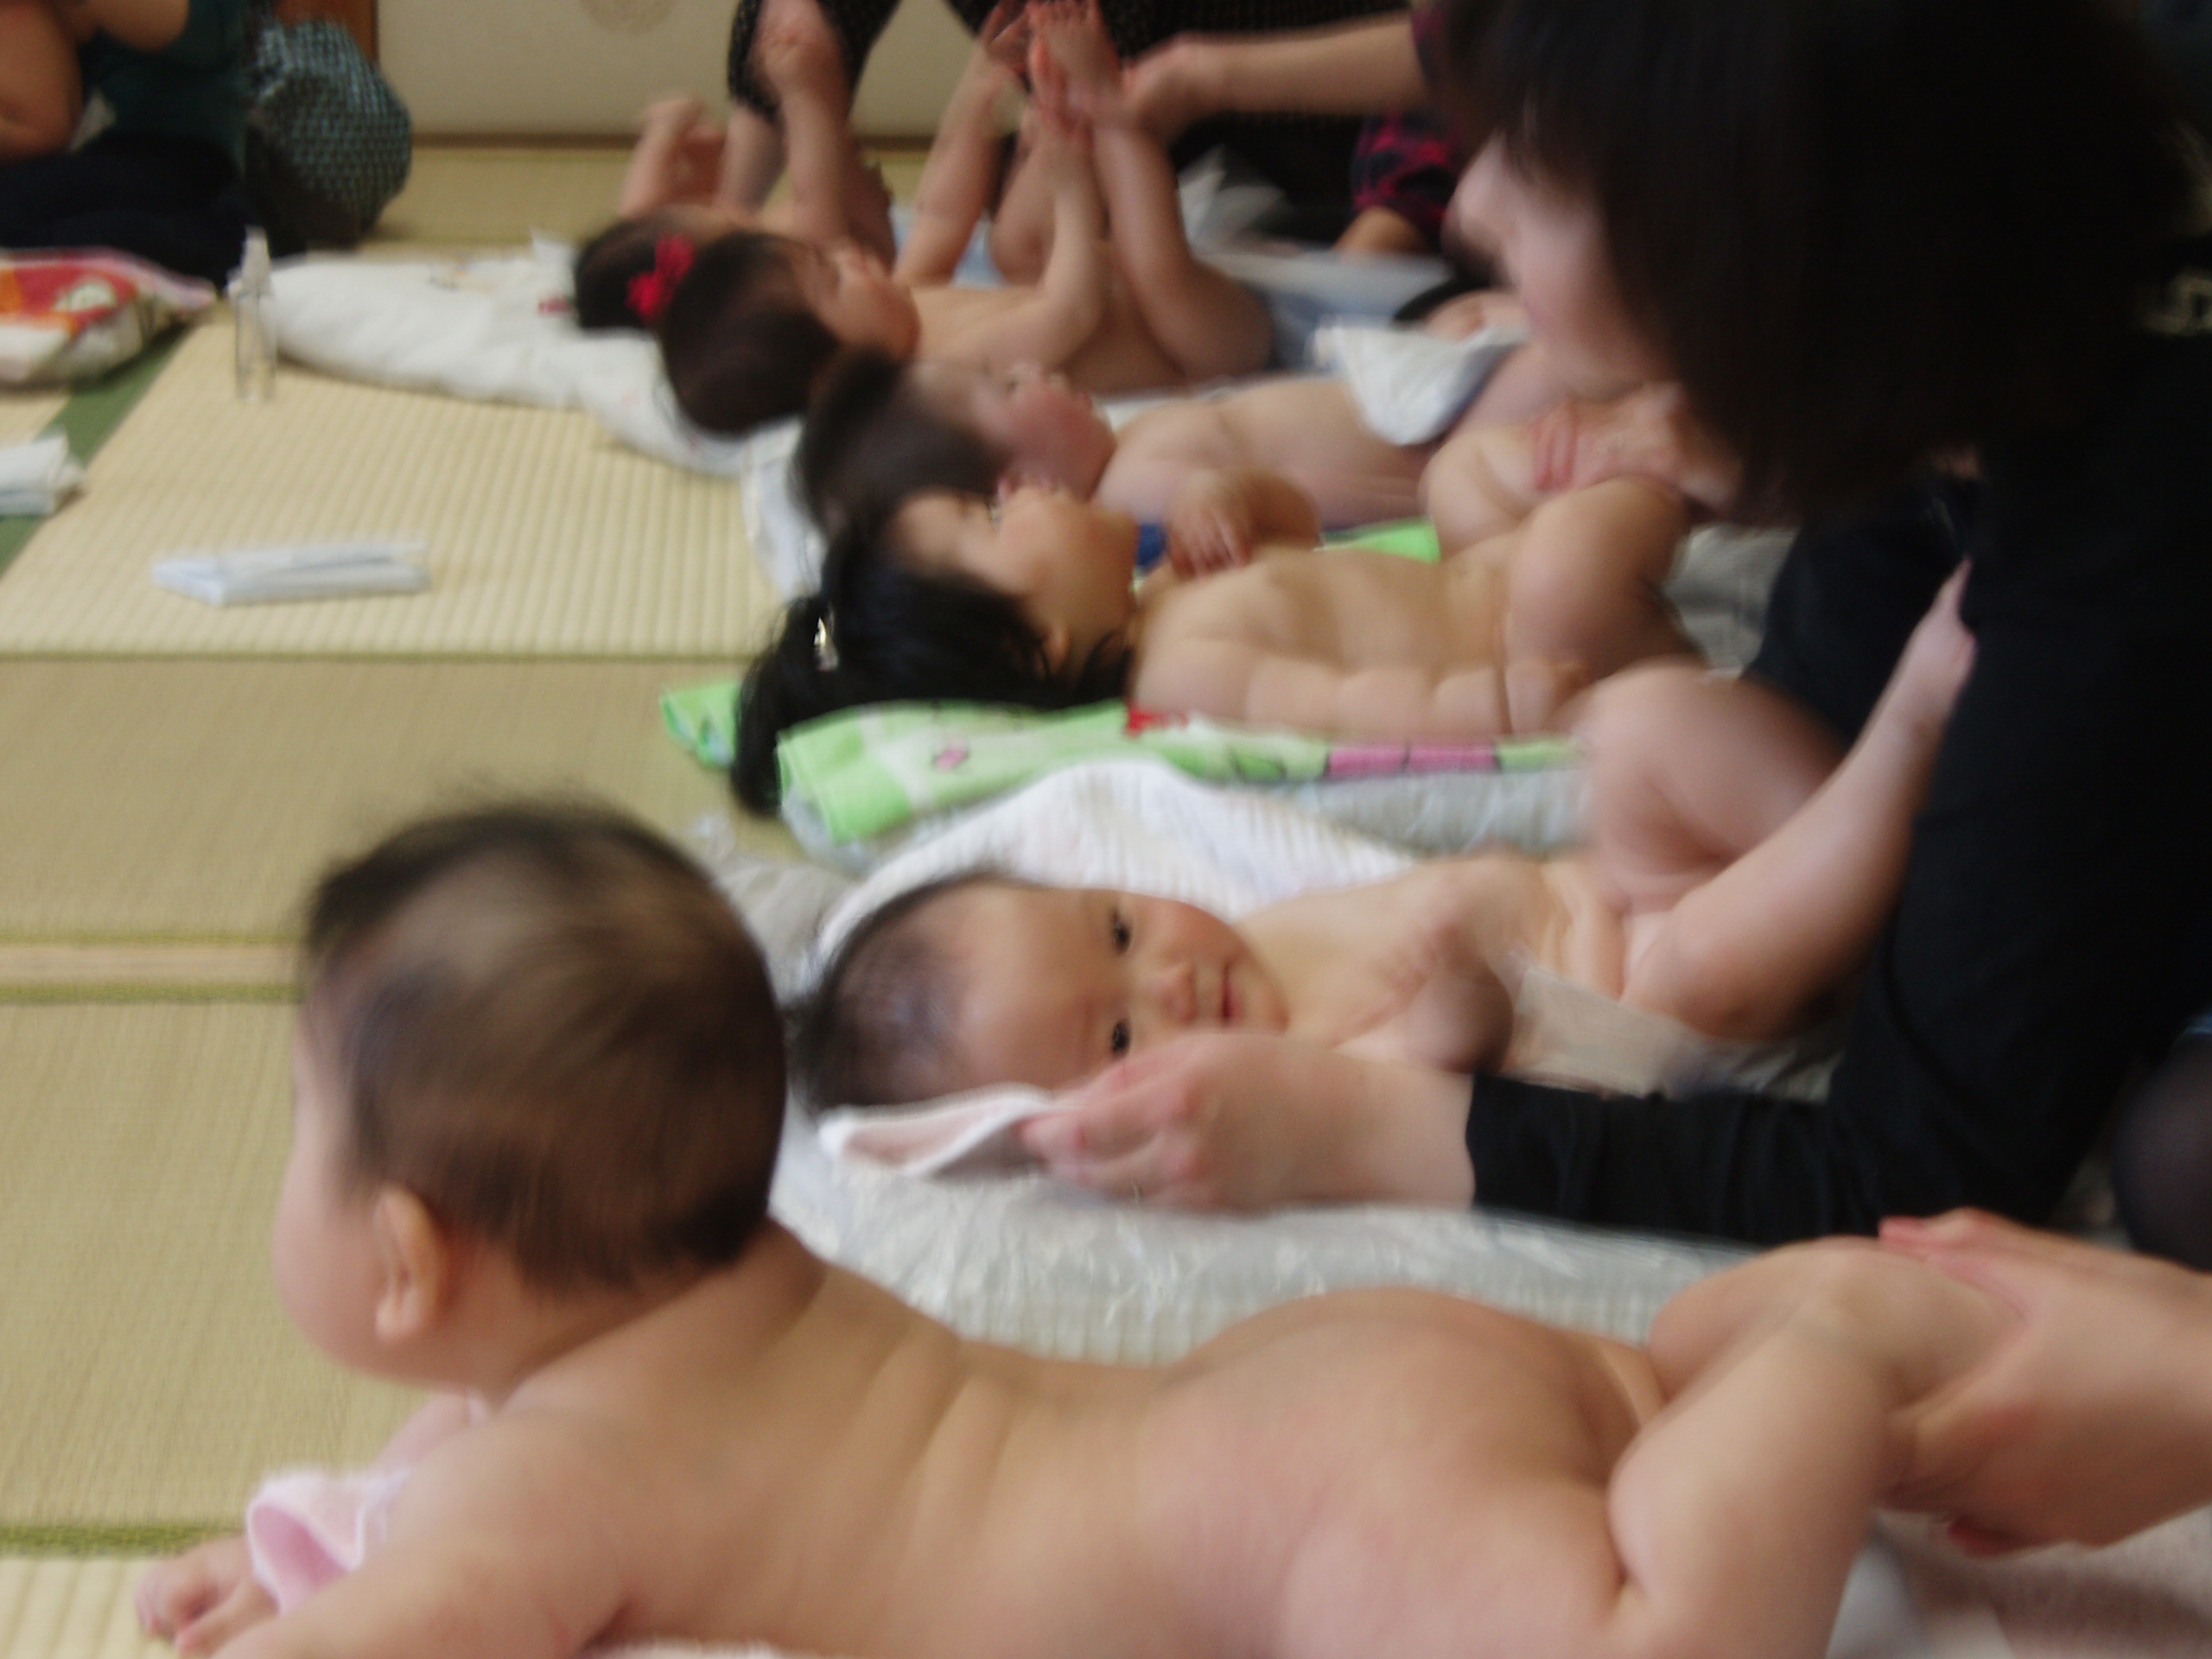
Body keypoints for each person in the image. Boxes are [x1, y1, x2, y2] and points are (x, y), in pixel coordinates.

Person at [132, 798, 2034, 1659]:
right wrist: (308, 1559)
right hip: (1304, 1408)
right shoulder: (703, 1293)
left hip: (1312, 1522)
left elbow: (451, 1587)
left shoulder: (543, 1489)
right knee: (1619, 1414)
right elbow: (450, 1492)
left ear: (410, 1259)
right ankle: (1714, 1372)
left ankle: (1834, 1354)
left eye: (300, 1123)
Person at [1012, 0, 2212, 1248]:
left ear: (1736, 234)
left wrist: (1362, 1124)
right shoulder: (1963, 285)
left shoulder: (2107, 540)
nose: (1472, 208)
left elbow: (1912, 1165)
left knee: (2181, 1163)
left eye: (1535, 167)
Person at [794, 572, 1968, 1158]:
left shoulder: (1266, 924)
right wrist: (1453, 994)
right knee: (1698, 963)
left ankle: (1876, 848)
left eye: (1117, 930)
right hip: (1643, 1021)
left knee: (1641, 724)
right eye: (1115, 1038)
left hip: (1610, 887)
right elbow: (1448, 1068)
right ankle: (1911, 746)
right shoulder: (1287, 1072)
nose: (1167, 981)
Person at [732, 408, 1696, 814]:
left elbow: (1304, 532)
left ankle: (1651, 463)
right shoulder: (1182, 672)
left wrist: (1235, 499)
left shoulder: (1165, 586)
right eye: (991, 518)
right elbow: (1348, 710)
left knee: (1461, 473)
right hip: (1531, 636)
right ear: (1039, 647)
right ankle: (1697, 463)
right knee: (1567, 562)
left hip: (1477, 570)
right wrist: (1507, 707)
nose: (1017, 486)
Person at [650, 0, 1271, 435]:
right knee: (1152, 264)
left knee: (1012, 245)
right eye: (833, 279)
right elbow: (1071, 308)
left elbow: (943, 215)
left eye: (827, 256)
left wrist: (981, 79)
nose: (848, 255)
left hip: (1123, 301)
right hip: (1196, 346)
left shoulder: (901, 303)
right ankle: (1105, 106)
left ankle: (1070, 104)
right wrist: (1073, 190)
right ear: (832, 375)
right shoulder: (942, 371)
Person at [791, 327, 1567, 553]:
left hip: (1417, 412)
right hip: (1439, 450)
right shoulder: (1135, 494)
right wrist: (1426, 497)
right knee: (1550, 366)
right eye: (1005, 386)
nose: (1030, 367)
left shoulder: (1125, 448)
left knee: (1495, 327)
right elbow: (1306, 504)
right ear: (1021, 486)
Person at [0, 0, 251, 284]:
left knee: (13, 219)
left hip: (178, 152)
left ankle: (219, 247)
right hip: (93, 161)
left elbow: (205, 30)